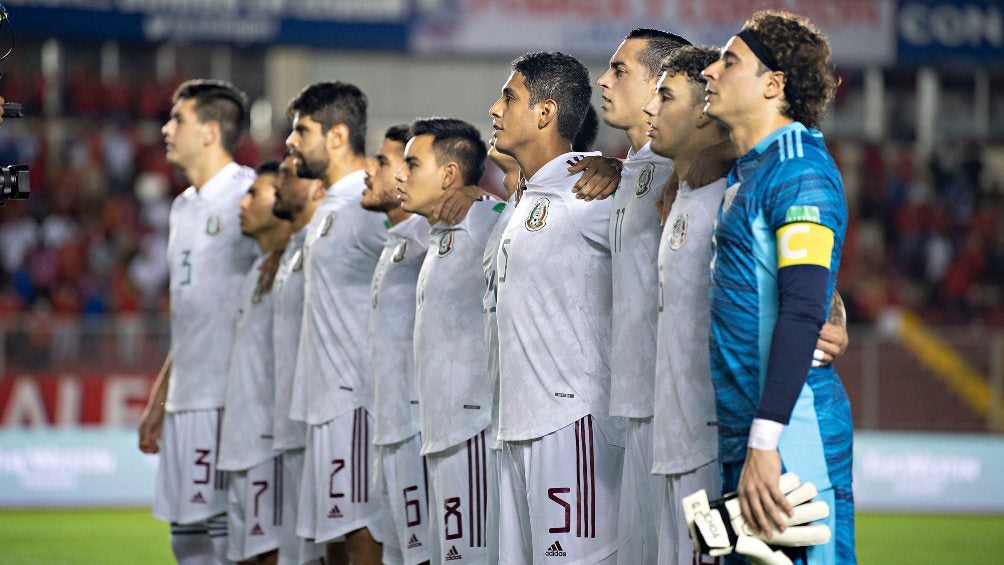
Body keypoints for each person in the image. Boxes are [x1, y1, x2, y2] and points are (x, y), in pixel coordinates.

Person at [702, 10, 855, 563]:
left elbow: (801, 309)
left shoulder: (798, 172)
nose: (710, 72)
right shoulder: (749, 171)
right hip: (749, 431)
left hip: (793, 432)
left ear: (774, 84)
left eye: (729, 61)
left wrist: (767, 441)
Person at [490, 51, 622, 563]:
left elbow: (687, 212)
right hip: (515, 428)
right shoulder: (529, 194)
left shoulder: (588, 186)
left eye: (509, 97)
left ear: (545, 113)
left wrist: (623, 168)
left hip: (570, 428)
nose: (495, 109)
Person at [138, 79, 257, 565]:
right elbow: (193, 314)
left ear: (210, 132)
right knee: (185, 540)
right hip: (186, 398)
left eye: (177, 120)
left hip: (228, 401)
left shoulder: (250, 195)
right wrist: (161, 396)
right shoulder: (182, 207)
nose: (166, 129)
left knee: (228, 540)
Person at [593, 28, 691, 564]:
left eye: (619, 70)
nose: (603, 81)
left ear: (659, 84)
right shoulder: (629, 171)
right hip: (631, 411)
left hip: (673, 415)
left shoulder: (691, 173)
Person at [284, 81, 389, 564]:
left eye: (301, 130)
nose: (290, 141)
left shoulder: (365, 206)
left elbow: (419, 249)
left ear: (337, 136)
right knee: (334, 537)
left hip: (355, 400)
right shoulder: (333, 205)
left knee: (358, 529)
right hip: (326, 401)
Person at [395, 117, 503, 564]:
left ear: (449, 175)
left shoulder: (481, 219)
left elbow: (526, 218)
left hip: (471, 431)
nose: (401, 175)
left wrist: (488, 198)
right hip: (441, 434)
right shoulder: (436, 232)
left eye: (412, 164)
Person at [362, 124, 433, 565]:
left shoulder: (435, 234)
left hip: (417, 430)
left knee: (423, 555)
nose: (372, 170)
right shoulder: (396, 242)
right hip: (387, 428)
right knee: (397, 555)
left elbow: (496, 208)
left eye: (386, 162)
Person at [216, 161, 293, 565]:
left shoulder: (291, 268)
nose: (242, 204)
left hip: (269, 443)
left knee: (272, 555)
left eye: (255, 194)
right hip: (242, 441)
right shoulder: (257, 270)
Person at [270, 155, 327, 565]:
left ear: (317, 189)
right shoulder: (292, 249)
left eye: (290, 175)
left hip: (323, 421)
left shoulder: (339, 237)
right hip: (293, 424)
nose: (278, 182)